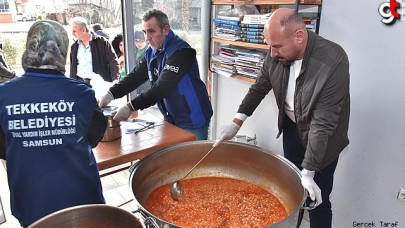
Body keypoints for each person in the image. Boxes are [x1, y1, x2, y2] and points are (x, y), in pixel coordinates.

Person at [214, 8, 350, 228]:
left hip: (324, 140)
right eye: (270, 46)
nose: (272, 53)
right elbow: (259, 88)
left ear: (298, 36)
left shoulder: (334, 60)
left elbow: (323, 123)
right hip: (293, 130)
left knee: (317, 200)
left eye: (277, 46)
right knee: (293, 193)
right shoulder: (275, 51)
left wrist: (309, 170)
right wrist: (236, 123)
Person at [0, 20, 106, 227]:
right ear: (62, 49)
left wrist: (33, 138)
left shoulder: (3, 95)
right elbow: (94, 136)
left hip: (31, 203)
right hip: (82, 201)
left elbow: (4, 148)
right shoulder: (82, 93)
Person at [98, 9, 212, 140]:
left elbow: (162, 87)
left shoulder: (182, 52)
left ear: (166, 30)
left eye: (152, 31)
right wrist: (111, 93)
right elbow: (135, 77)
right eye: (145, 32)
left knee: (193, 159)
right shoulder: (152, 51)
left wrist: (130, 106)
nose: (147, 37)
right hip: (171, 117)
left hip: (193, 119)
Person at [69, 17, 119, 83]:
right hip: (79, 83)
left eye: (74, 31)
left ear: (83, 30)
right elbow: (72, 68)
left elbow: (113, 61)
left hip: (98, 83)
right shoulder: (74, 46)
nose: (72, 34)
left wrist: (115, 79)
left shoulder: (101, 42)